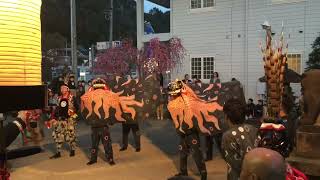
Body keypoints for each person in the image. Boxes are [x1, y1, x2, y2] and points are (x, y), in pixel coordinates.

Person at [167, 81, 207, 180]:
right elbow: (174, 117)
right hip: (182, 132)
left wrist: (185, 95)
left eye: (173, 93)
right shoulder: (172, 103)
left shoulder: (187, 98)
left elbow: (190, 110)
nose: (171, 95)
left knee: (196, 153)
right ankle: (183, 172)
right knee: (183, 153)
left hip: (191, 132)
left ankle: (203, 175)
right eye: (171, 94)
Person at [221, 98, 259, 180]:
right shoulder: (254, 129)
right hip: (255, 175)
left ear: (226, 116)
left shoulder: (228, 136)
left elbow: (231, 160)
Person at [86, 78, 115, 166]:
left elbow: (111, 109)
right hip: (94, 125)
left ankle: (110, 159)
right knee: (94, 144)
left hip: (103, 125)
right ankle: (93, 159)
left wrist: (111, 120)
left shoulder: (107, 98)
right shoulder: (90, 97)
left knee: (107, 144)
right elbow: (86, 109)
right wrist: (88, 120)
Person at [49, 84, 78, 159]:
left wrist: (73, 112)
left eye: (63, 88)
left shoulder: (72, 98)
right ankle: (58, 152)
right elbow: (56, 109)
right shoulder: (59, 98)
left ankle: (72, 150)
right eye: (61, 88)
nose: (62, 89)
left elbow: (77, 107)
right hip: (60, 119)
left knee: (71, 135)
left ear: (67, 89)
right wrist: (53, 117)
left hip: (70, 119)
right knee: (58, 134)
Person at [119, 76, 142, 152]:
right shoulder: (123, 94)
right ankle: (124, 146)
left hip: (133, 116)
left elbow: (139, 103)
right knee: (125, 133)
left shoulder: (136, 93)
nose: (127, 87)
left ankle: (138, 146)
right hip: (125, 116)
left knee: (136, 132)